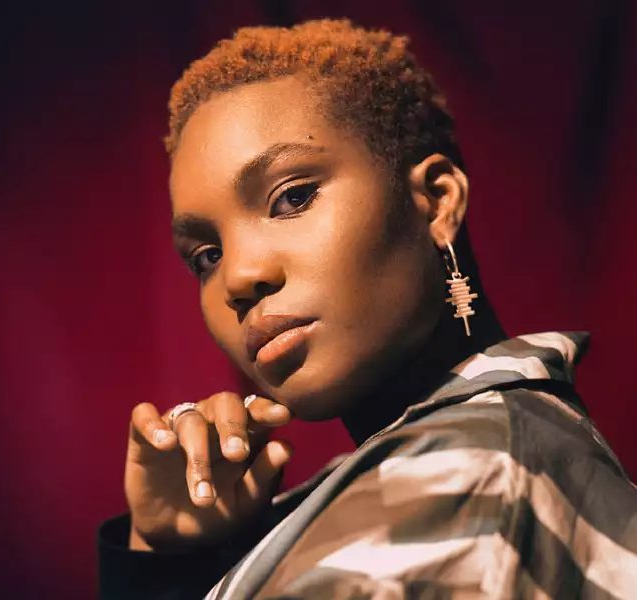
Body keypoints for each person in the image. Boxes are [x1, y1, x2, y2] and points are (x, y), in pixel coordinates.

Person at [97, 19, 637, 599]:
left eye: (292, 197)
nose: (238, 277)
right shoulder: (478, 459)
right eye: (206, 255)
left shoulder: (458, 486)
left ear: (435, 202)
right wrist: (170, 557)